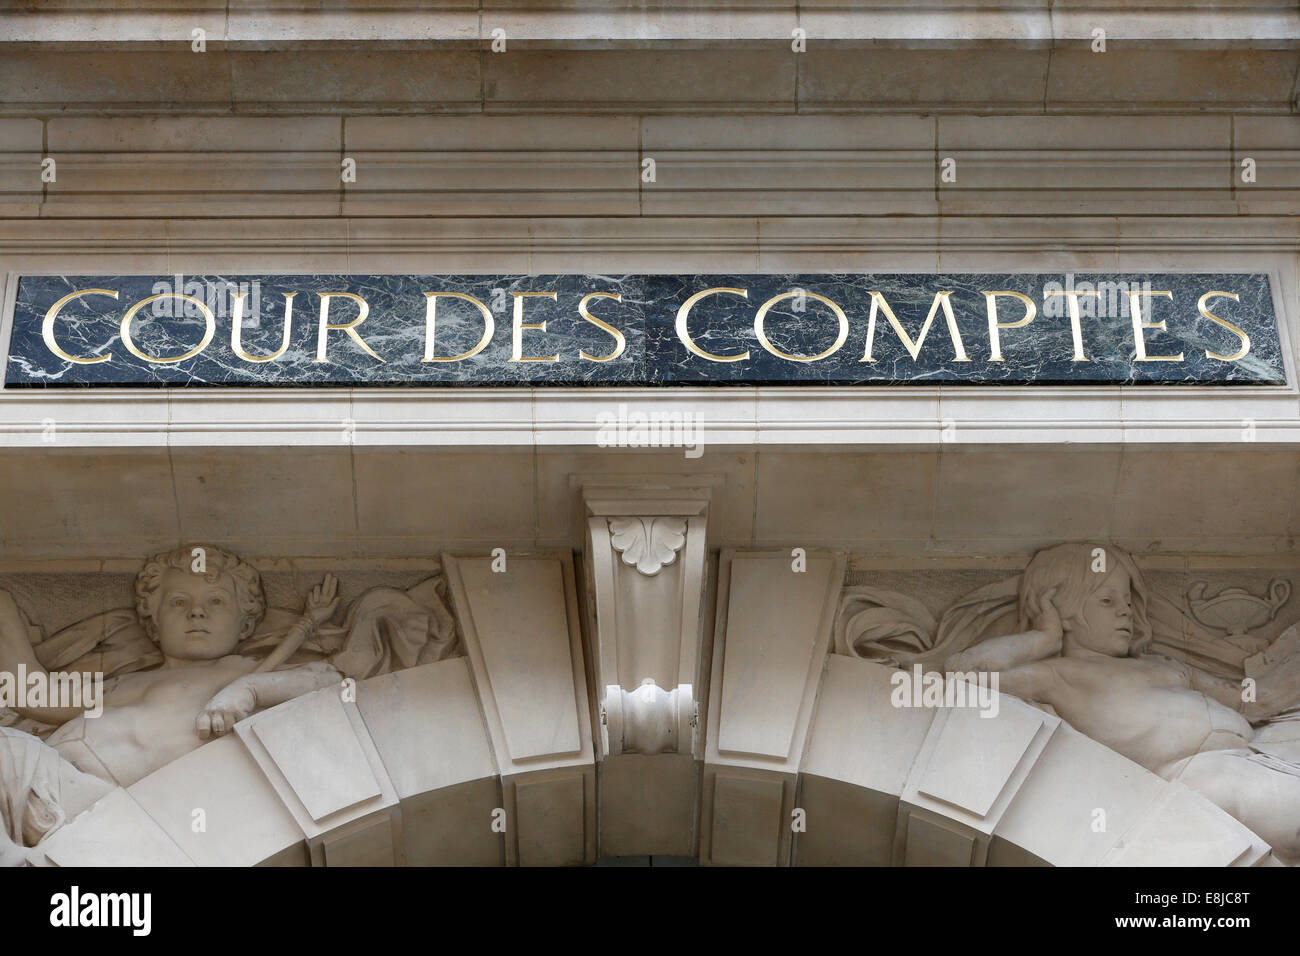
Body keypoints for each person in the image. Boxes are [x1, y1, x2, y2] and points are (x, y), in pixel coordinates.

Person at [944, 542, 1300, 862]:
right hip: (1206, 778)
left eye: (1128, 602)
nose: (1125, 612)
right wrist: (1043, 637)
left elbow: (1249, 700)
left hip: (1265, 755)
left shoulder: (1160, 665)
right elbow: (965, 672)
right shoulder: (1058, 675)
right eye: (1106, 600)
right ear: (1061, 609)